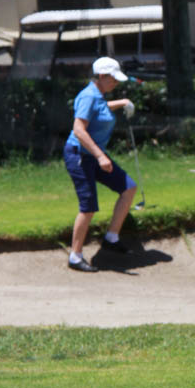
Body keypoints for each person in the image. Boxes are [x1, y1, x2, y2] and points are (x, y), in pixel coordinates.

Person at [64, 56, 137, 272]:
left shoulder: (98, 95)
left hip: (94, 155)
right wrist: (100, 156)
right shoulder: (88, 96)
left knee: (128, 187)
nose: (116, 83)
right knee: (88, 207)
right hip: (80, 156)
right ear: (102, 76)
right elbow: (79, 129)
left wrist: (122, 103)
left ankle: (111, 238)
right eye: (113, 79)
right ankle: (75, 257)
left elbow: (101, 108)